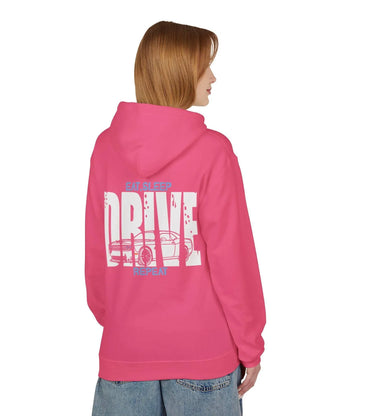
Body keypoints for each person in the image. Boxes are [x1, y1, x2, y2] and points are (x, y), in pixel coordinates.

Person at [85, 20, 266, 416]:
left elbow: (98, 255)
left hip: (124, 355)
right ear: (180, 71)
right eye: (204, 66)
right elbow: (232, 261)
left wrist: (125, 325)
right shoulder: (213, 151)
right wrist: (250, 344)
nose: (213, 77)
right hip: (203, 357)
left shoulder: (105, 147)